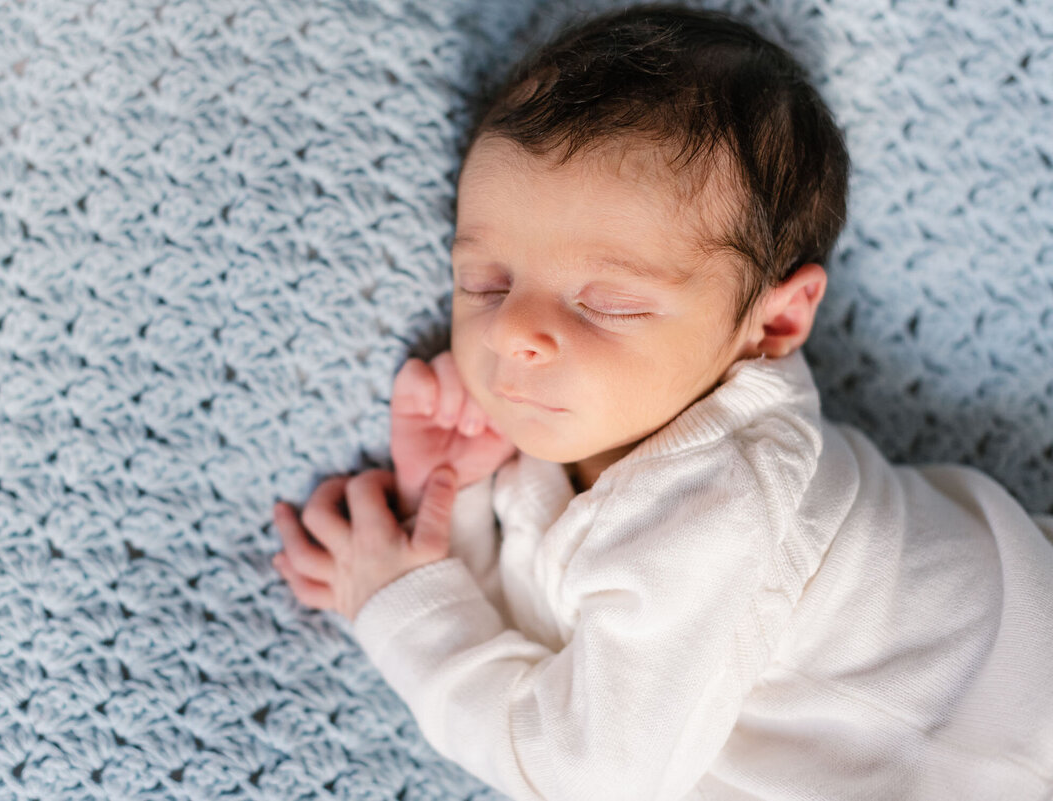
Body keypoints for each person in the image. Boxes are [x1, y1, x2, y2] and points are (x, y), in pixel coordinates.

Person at [271, 4, 1053, 799]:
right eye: (486, 284)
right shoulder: (604, 448)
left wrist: (401, 611)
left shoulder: (724, 499)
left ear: (773, 320)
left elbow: (587, 767)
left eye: (605, 302)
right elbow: (568, 649)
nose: (515, 332)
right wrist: (450, 503)